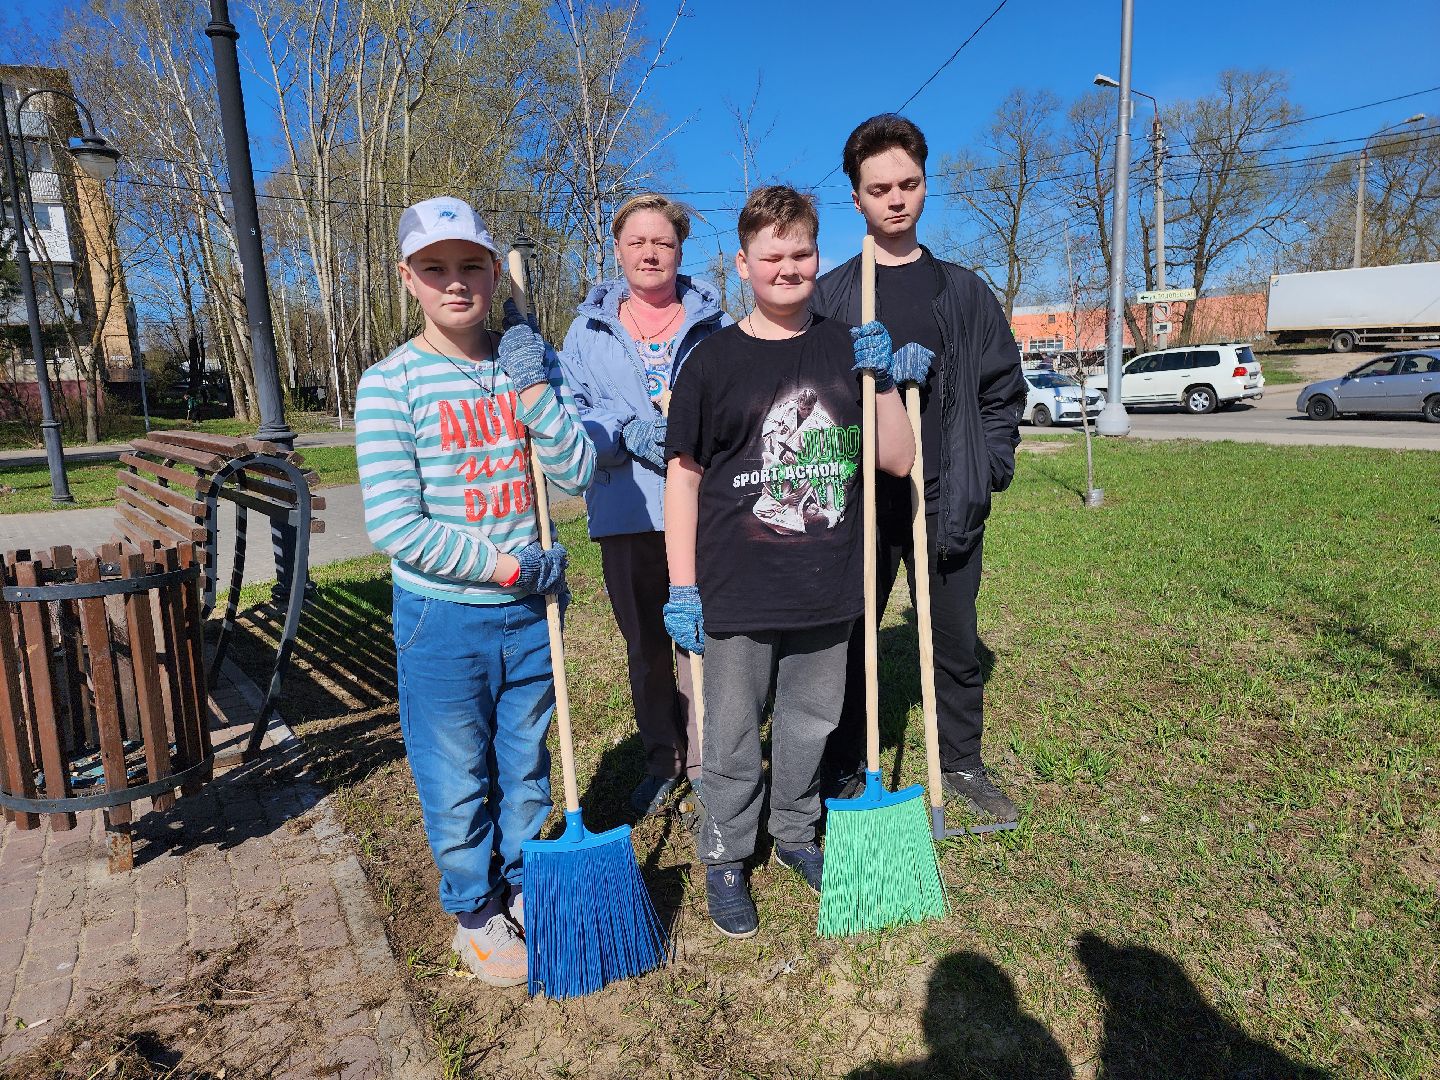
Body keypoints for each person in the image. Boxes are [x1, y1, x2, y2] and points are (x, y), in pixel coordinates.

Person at [663, 185, 918, 937]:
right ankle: (725, 851)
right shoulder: (712, 363)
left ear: (817, 256)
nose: (787, 267)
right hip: (737, 588)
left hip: (828, 586)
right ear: (744, 264)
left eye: (800, 252)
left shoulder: (848, 349)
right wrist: (683, 585)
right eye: (770, 256)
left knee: (810, 724)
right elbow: (684, 476)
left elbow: (898, 460)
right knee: (733, 733)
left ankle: (796, 833)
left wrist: (887, 385)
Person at [355, 196, 595, 987]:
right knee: (455, 772)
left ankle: (527, 888)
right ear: (408, 280)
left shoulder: (527, 363)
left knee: (525, 763)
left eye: (470, 266)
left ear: (495, 272)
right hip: (443, 619)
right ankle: (473, 909)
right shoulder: (389, 385)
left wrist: (534, 395)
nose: (455, 284)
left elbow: (578, 473)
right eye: (435, 269)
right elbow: (396, 525)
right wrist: (502, 566)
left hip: (529, 618)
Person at [813, 114, 1027, 826]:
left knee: (955, 636)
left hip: (944, 494)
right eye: (879, 189)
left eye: (908, 183)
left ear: (925, 185)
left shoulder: (962, 291)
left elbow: (1003, 390)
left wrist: (990, 465)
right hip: (859, 501)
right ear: (856, 200)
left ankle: (960, 759)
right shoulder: (833, 296)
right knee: (847, 636)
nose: (896, 199)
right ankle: (847, 761)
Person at [557, 193, 731, 816]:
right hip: (626, 510)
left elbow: (735, 403)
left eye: (663, 242)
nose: (651, 252)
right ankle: (665, 760)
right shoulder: (587, 331)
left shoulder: (713, 323)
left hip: (705, 512)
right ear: (618, 249)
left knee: (705, 638)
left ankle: (712, 763)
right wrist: (623, 428)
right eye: (638, 241)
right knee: (646, 646)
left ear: (680, 250)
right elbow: (569, 411)